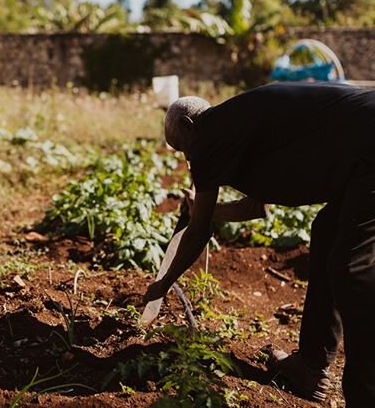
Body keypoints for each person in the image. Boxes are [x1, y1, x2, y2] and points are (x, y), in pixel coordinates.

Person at [143, 82, 375, 406]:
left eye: (181, 147)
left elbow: (198, 233)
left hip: (369, 145)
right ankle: (310, 368)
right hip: (360, 150)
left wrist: (163, 284)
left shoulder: (208, 137)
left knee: (351, 269)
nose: (187, 160)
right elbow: (253, 208)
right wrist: (203, 209)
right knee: (327, 233)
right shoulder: (238, 126)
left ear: (188, 125)